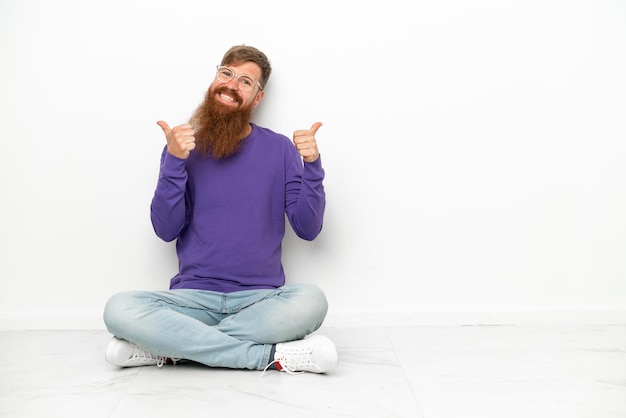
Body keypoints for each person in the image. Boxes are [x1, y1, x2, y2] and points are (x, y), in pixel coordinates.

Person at [102, 45, 338, 375]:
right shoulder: (182, 147)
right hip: (192, 300)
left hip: (260, 302)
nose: (230, 84)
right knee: (119, 308)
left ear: (257, 99)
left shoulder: (280, 149)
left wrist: (312, 165)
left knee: (312, 300)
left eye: (245, 81)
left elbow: (308, 228)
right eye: (226, 73)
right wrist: (173, 160)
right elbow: (165, 229)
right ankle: (267, 357)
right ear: (215, 80)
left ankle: (170, 348)